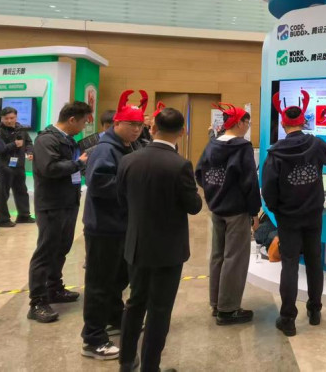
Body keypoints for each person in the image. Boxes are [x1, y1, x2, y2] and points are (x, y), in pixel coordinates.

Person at [117, 107, 202, 372]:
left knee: (134, 303)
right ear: (182, 132)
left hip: (136, 244)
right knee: (160, 310)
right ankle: (150, 367)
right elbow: (194, 206)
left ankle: (126, 362)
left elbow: (121, 200)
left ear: (151, 128)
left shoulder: (128, 160)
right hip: (168, 249)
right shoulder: (180, 165)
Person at [262, 90, 326, 337]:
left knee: (290, 265)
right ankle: (314, 311)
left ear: (283, 124)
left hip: (288, 217)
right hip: (314, 214)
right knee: (314, 261)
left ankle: (288, 319)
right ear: (303, 122)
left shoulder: (275, 153)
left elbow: (268, 189)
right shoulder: (315, 144)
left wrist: (277, 210)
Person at [81, 91, 146, 360]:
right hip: (103, 228)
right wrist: (134, 187)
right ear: (117, 123)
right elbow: (98, 185)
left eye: (140, 125)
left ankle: (113, 317)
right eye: (131, 124)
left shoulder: (129, 146)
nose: (136, 129)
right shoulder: (105, 149)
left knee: (117, 279)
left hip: (120, 226)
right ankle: (93, 338)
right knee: (99, 283)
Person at [195, 103, 260, 325]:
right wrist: (254, 212)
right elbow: (250, 182)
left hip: (217, 209)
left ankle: (216, 303)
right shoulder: (242, 147)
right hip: (237, 211)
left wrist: (214, 193)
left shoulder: (212, 144)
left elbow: (199, 172)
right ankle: (228, 309)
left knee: (218, 256)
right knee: (235, 259)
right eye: (247, 122)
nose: (248, 126)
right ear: (239, 123)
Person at [27, 101, 92, 323]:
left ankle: (54, 288)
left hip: (68, 201)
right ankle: (37, 302)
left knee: (61, 247)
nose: (83, 127)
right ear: (72, 120)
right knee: (46, 251)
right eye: (83, 122)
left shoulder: (68, 140)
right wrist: (78, 163)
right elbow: (50, 168)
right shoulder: (46, 140)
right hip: (51, 204)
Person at [0, 107, 35, 227]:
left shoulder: (21, 129)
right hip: (5, 166)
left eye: (11, 118)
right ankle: (3, 219)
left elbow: (28, 142)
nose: (9, 121)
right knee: (3, 193)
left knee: (22, 191)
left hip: (19, 165)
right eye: (6, 118)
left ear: (16, 117)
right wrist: (14, 144)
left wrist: (30, 151)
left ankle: (24, 216)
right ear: (2, 118)